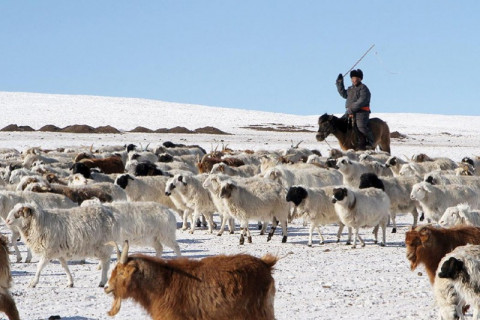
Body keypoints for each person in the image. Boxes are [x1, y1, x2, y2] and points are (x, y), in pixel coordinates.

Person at [336, 69, 375, 150]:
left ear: (360, 79)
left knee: (361, 126)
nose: (354, 80)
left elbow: (362, 101)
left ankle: (370, 142)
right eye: (353, 78)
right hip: (350, 111)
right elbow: (343, 94)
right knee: (340, 123)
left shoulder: (364, 88)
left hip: (361, 112)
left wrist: (351, 109)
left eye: (357, 78)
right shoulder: (350, 89)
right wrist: (339, 83)